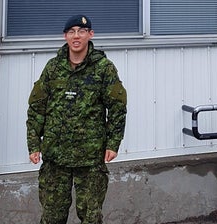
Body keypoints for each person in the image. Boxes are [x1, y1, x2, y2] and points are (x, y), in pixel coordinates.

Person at [26, 14, 127, 224]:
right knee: (52, 216)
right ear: (65, 36)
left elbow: (117, 108)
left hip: (90, 157)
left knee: (90, 217)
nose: (76, 36)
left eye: (81, 31)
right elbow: (37, 108)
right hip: (55, 157)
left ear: (90, 34)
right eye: (71, 32)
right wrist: (34, 144)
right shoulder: (53, 68)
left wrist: (113, 144)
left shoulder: (103, 68)